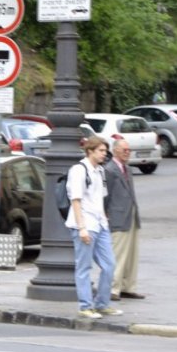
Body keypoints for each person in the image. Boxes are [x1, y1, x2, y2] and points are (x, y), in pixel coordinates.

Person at [65, 135, 121, 319]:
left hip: (100, 223)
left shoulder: (100, 171)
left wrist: (104, 219)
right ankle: (85, 306)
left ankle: (102, 304)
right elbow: (76, 200)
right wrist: (81, 228)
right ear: (90, 151)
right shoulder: (79, 170)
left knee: (109, 265)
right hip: (85, 224)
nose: (104, 154)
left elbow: (99, 197)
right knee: (84, 267)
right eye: (101, 151)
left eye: (105, 151)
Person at [104, 139, 145, 301]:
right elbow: (105, 195)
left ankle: (128, 287)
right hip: (117, 217)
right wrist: (105, 214)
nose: (127, 153)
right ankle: (113, 288)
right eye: (124, 150)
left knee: (131, 255)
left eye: (129, 150)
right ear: (115, 150)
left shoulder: (127, 169)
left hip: (131, 215)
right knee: (118, 254)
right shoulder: (109, 169)